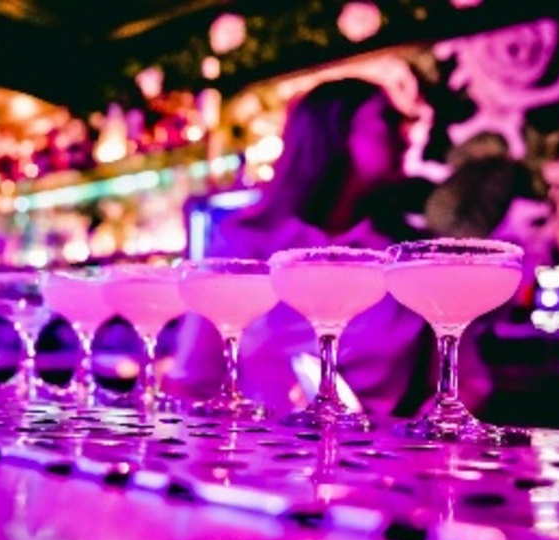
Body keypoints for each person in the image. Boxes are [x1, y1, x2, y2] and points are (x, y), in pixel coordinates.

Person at [164, 77, 435, 417]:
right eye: (388, 120)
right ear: (334, 133)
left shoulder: (410, 257)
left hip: (377, 462)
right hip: (264, 460)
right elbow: (192, 380)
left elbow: (459, 384)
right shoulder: (243, 244)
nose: (406, 137)